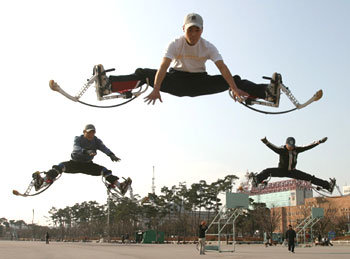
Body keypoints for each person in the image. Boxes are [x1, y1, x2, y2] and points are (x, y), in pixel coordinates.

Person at [92, 13, 281, 105]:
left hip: (200, 82)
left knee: (235, 80)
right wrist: (157, 88)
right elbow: (164, 66)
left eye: (196, 29)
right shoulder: (175, 43)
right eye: (190, 29)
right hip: (176, 80)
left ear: (202, 30)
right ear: (184, 29)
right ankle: (109, 85)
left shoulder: (208, 46)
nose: (193, 33)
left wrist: (233, 87)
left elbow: (222, 68)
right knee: (143, 73)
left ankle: (267, 93)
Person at [32, 124, 131, 195]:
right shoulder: (78, 139)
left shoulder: (96, 140)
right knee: (60, 166)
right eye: (88, 133)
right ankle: (42, 181)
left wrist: (111, 155)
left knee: (104, 171)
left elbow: (103, 148)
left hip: (88, 165)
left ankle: (120, 186)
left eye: (92, 133)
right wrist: (86, 151)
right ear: (84, 132)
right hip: (75, 163)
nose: (90, 135)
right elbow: (76, 148)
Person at [249, 136, 336, 193]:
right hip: (281, 171)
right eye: (289, 146)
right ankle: (257, 180)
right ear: (286, 144)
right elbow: (274, 147)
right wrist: (266, 142)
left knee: (310, 178)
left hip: (293, 171)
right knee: (267, 171)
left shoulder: (296, 149)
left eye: (292, 146)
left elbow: (307, 146)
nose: (291, 148)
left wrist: (319, 142)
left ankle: (328, 186)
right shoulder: (281, 149)